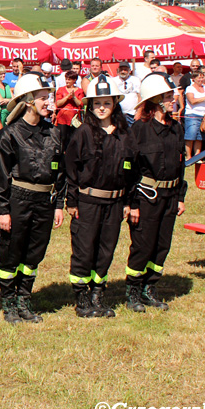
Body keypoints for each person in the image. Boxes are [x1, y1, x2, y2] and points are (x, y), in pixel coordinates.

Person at [0, 73, 66, 324]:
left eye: (49, 97)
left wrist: (58, 204)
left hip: (44, 201)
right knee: (12, 253)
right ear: (28, 101)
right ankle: (9, 303)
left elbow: (61, 172)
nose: (49, 102)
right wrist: (3, 210)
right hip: (18, 199)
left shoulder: (54, 133)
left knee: (34, 253)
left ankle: (24, 299)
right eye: (43, 98)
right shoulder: (10, 134)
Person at [65, 76, 136, 318]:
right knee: (85, 249)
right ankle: (82, 297)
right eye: (97, 103)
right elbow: (72, 169)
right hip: (88, 201)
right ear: (90, 106)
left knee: (106, 249)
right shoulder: (83, 132)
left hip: (115, 202)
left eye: (106, 102)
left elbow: (131, 171)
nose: (102, 108)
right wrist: (72, 201)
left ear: (115, 103)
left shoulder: (125, 134)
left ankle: (97, 293)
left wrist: (127, 202)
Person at [125, 73, 187, 313]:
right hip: (146, 198)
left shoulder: (177, 129)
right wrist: (132, 203)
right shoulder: (139, 130)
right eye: (169, 96)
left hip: (170, 198)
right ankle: (133, 291)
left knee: (162, 245)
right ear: (157, 100)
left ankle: (149, 288)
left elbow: (181, 164)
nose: (174, 100)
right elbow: (130, 168)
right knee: (143, 244)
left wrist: (180, 196)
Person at [183, 69, 205, 161]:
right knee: (190, 136)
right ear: (193, 79)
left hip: (204, 115)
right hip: (192, 115)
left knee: (200, 137)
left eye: (203, 77)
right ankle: (189, 156)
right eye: (199, 78)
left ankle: (197, 156)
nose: (201, 79)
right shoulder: (190, 88)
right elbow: (192, 101)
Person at [54, 70, 84, 146]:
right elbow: (58, 103)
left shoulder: (80, 91)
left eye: (69, 79)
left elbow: (81, 104)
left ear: (74, 80)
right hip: (62, 119)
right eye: (66, 79)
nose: (67, 81)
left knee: (74, 139)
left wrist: (74, 97)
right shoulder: (61, 90)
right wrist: (67, 97)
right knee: (62, 139)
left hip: (74, 119)